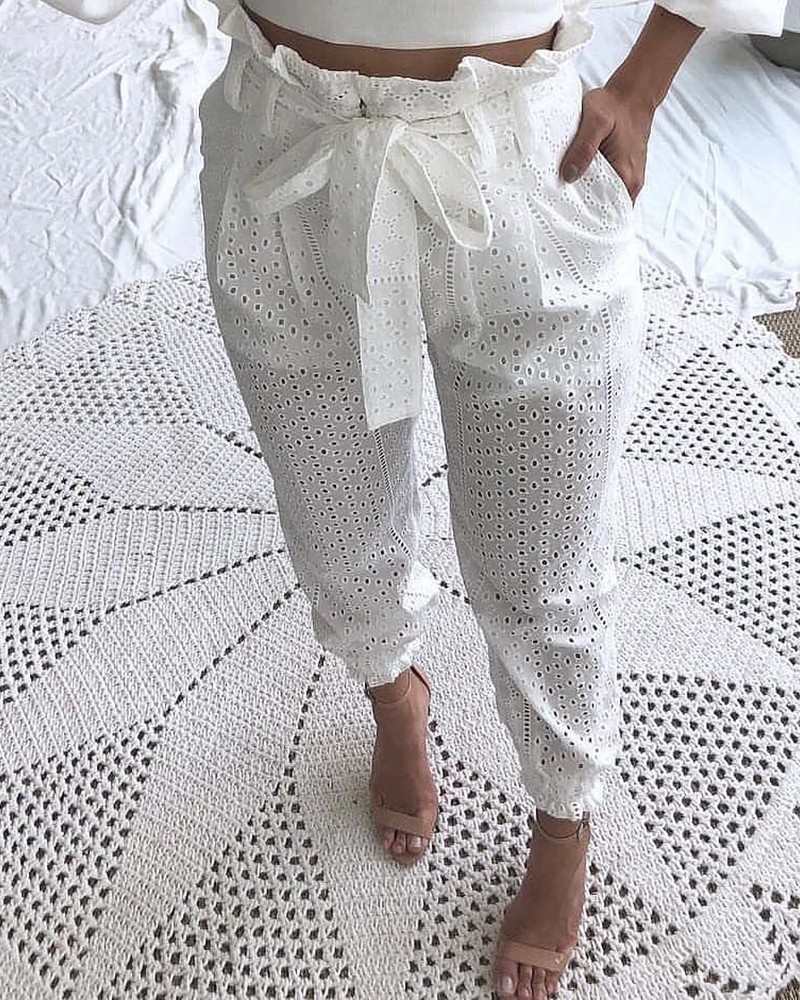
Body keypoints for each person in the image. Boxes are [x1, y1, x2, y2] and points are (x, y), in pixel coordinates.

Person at [191, 2, 786, 999]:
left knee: (542, 565)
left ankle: (562, 819)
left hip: (523, 163)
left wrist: (642, 85)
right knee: (334, 523)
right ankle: (394, 696)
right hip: (285, 156)